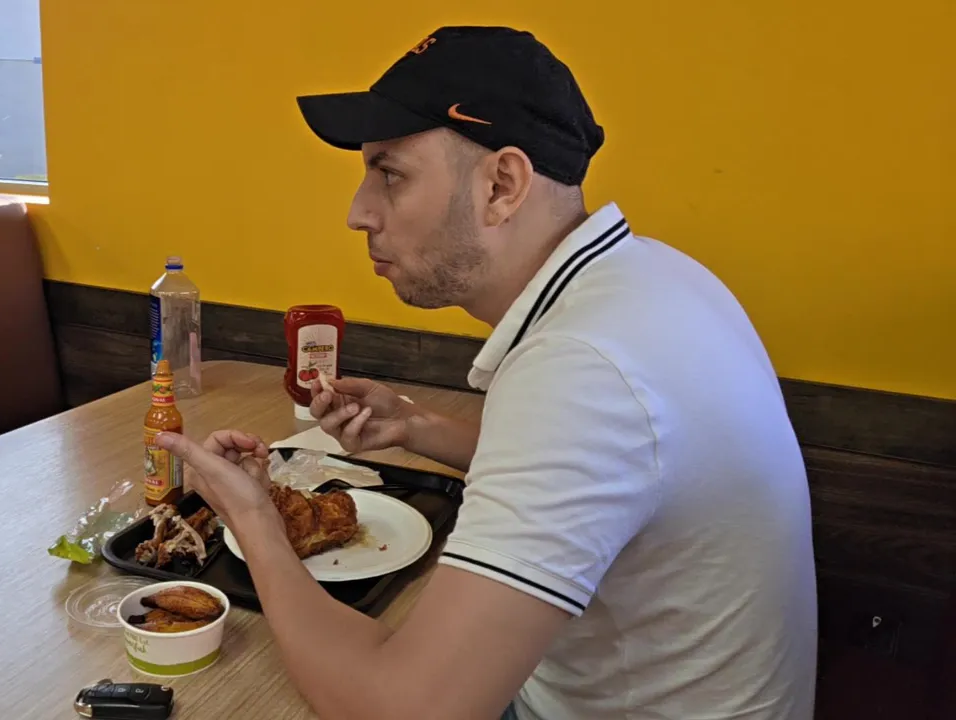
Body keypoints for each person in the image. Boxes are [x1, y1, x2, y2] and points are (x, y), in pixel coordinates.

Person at [154, 26, 817, 720]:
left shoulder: (581, 369)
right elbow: (621, 477)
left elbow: (403, 710)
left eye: (390, 173)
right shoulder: (655, 276)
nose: (358, 213)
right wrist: (415, 426)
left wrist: (253, 520)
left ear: (502, 185)